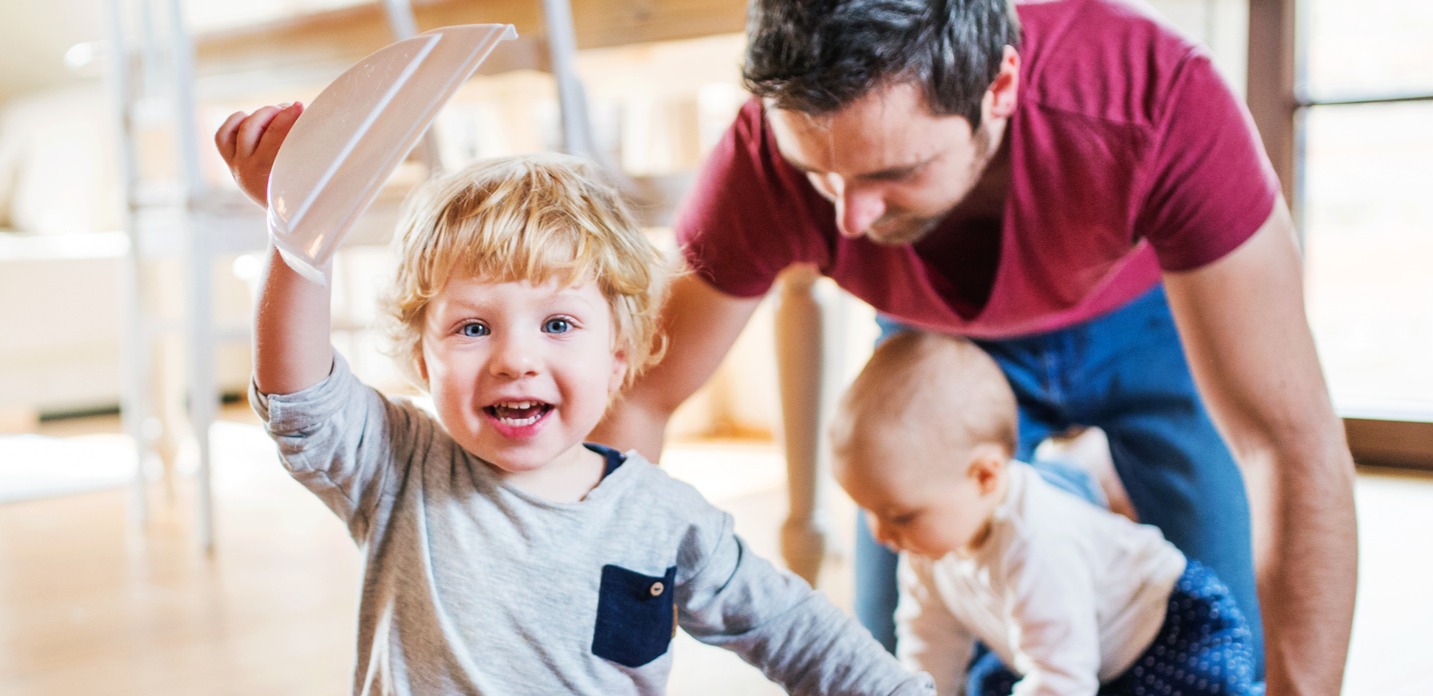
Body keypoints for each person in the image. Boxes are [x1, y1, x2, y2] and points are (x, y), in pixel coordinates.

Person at [591, 0, 1358, 692]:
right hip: (938, 359)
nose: (851, 218)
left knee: (1223, 650)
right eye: (819, 176)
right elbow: (640, 397)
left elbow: (1289, 441)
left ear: (1000, 87)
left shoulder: (1157, 97)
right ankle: (1070, 492)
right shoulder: (762, 158)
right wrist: (582, 652)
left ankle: (1076, 491)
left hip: (1149, 330)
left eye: (895, 172)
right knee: (894, 661)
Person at [212, 103, 936, 696]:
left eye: (558, 324)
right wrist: (298, 237)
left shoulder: (668, 519)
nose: (516, 359)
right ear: (420, 358)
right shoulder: (397, 467)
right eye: (471, 327)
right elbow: (300, 397)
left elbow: (797, 633)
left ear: (621, 352)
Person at [830, 331, 1261, 696]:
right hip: (1070, 647)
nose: (881, 533)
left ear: (983, 476)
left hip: (1165, 635)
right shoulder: (926, 545)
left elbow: (1061, 679)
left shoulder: (1036, 540)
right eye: (868, 511)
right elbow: (930, 643)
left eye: (899, 515)